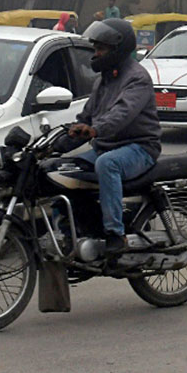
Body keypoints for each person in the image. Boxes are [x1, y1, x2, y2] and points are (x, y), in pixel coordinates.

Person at [68, 18, 161, 255]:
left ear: (117, 49)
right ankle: (79, 228)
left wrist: (96, 130)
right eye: (95, 48)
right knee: (64, 169)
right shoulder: (104, 79)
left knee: (107, 164)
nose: (96, 54)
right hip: (106, 146)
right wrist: (71, 132)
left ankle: (115, 235)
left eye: (101, 49)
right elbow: (87, 115)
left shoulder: (136, 78)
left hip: (139, 148)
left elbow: (122, 114)